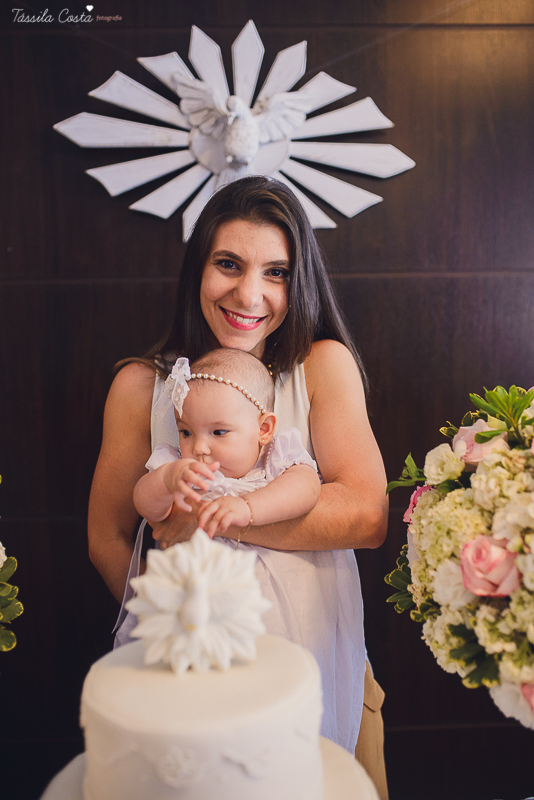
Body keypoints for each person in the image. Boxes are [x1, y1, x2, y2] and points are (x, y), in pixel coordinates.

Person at [88, 175, 389, 796]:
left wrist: (216, 515)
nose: (250, 293)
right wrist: (179, 627)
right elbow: (108, 535)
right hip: (194, 678)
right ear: (197, 268)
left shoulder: (319, 366)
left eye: (276, 272)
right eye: (228, 264)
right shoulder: (142, 388)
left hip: (322, 670)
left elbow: (365, 514)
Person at [132, 349, 321, 536]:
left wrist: (249, 507)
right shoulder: (179, 468)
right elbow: (147, 509)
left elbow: (308, 489)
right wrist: (166, 480)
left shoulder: (275, 459)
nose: (198, 448)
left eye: (218, 432)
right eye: (186, 432)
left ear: (263, 429)